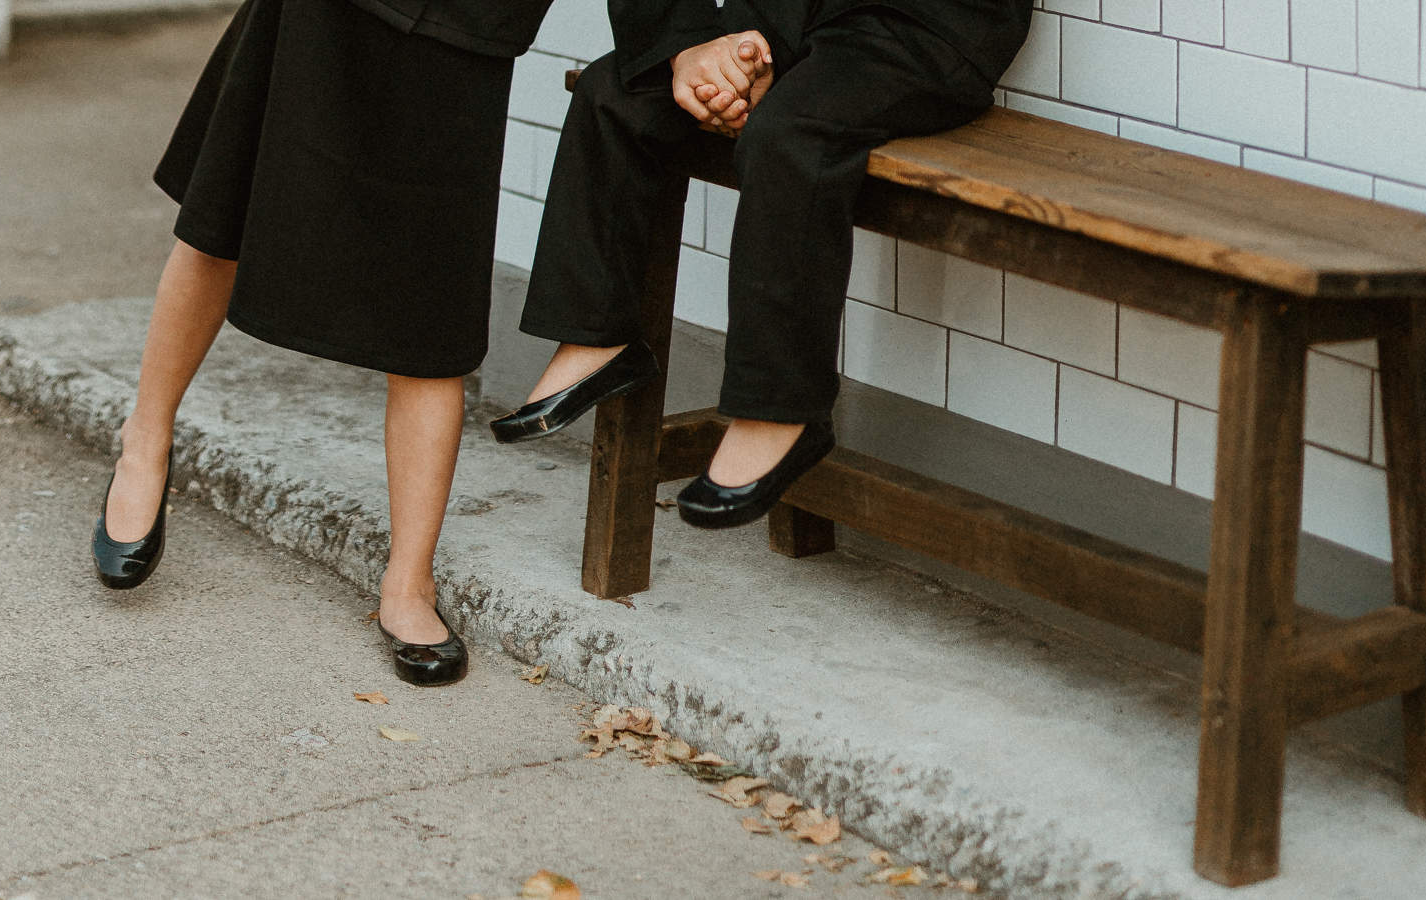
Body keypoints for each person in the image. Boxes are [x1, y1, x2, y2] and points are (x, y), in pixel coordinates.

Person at [90, 0, 553, 687]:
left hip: (467, 26)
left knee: (432, 300)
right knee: (223, 218)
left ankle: (409, 581)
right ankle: (144, 443)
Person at [491, 0, 1032, 527]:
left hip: (921, 20)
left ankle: (781, 409)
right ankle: (598, 335)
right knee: (615, 89)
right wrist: (690, 48)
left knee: (789, 133)